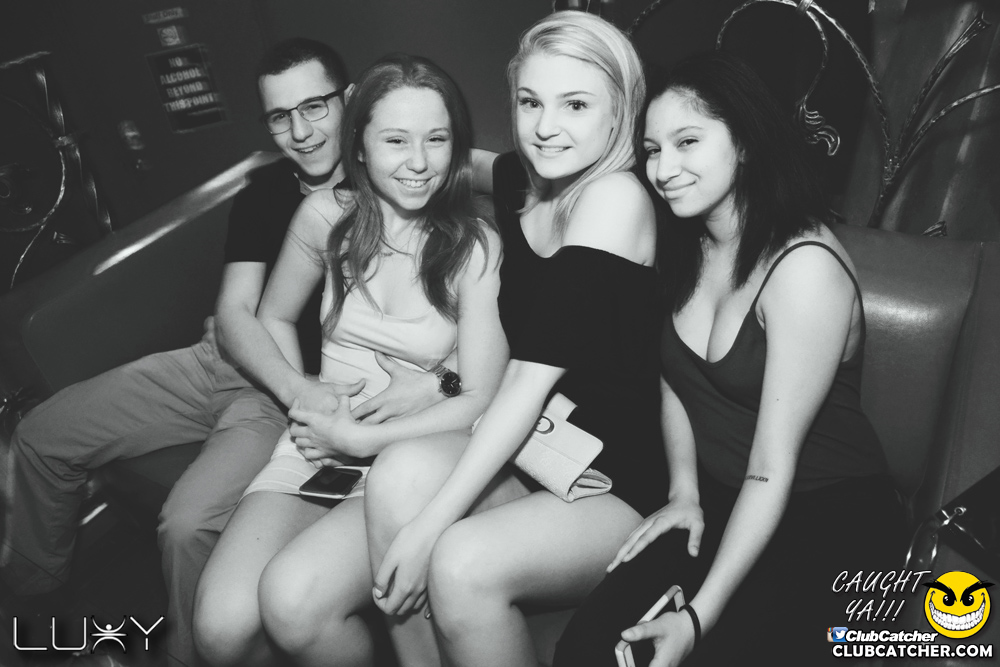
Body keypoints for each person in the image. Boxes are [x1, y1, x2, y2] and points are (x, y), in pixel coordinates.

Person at [0, 38, 441, 667]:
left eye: (314, 107)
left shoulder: (395, 179)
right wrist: (293, 386)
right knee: (42, 433)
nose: (300, 132)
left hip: (280, 403)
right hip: (228, 363)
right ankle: (36, 606)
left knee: (185, 524)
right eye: (280, 116)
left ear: (349, 100)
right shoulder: (263, 192)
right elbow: (237, 313)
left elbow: (477, 170)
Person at [552, 52, 906, 667]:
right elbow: (676, 379)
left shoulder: (803, 269)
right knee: (586, 651)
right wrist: (684, 490)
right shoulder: (686, 241)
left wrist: (697, 618)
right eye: (653, 150)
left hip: (827, 516)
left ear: (743, 142)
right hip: (720, 497)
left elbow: (771, 466)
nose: (664, 169)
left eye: (688, 142)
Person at [360, 12, 666, 667]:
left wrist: (428, 528)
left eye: (576, 104)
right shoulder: (523, 181)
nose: (546, 127)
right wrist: (365, 139)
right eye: (530, 102)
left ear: (621, 112)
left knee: (457, 562)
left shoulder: (614, 198)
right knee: (394, 476)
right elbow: (457, 161)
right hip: (539, 452)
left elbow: (527, 380)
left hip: (617, 481)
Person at [192, 53, 506, 667]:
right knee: (220, 630)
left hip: (407, 462)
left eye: (437, 139)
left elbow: (482, 396)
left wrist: (362, 437)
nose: (419, 162)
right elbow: (272, 316)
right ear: (359, 144)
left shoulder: (474, 246)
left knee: (292, 604)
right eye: (396, 140)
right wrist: (303, 394)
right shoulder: (324, 217)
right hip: (318, 447)